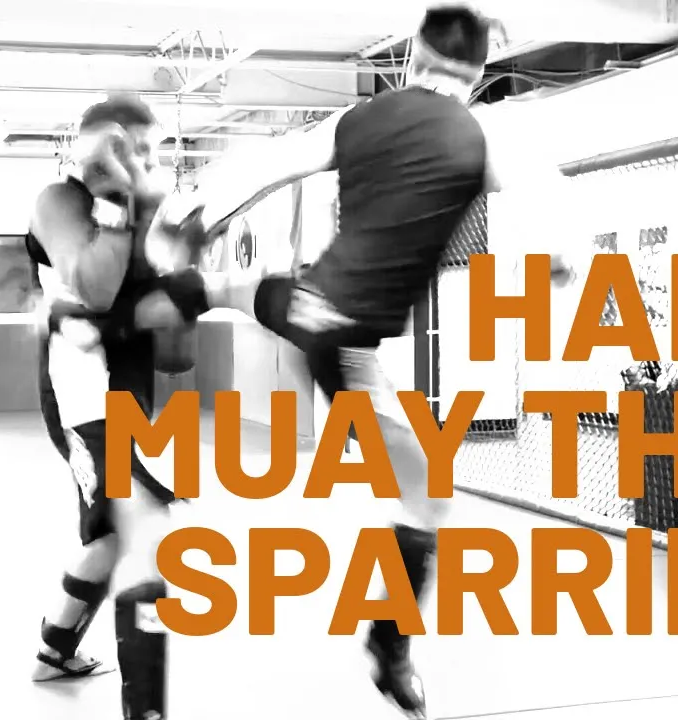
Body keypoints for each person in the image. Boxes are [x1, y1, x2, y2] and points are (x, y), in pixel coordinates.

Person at [142, 5, 575, 719]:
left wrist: (191, 216)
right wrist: (561, 253)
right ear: (478, 72)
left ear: (411, 56)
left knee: (251, 292)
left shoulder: (354, 120)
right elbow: (546, 194)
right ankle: (389, 644)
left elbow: (267, 165)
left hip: (310, 302)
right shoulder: (484, 134)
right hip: (346, 340)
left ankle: (188, 291)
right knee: (428, 497)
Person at [27, 94, 189, 720]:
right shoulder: (59, 201)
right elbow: (94, 287)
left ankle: (55, 649)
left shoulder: (145, 210)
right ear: (99, 148)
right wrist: (117, 200)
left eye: (152, 152)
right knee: (146, 531)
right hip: (82, 395)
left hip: (130, 399)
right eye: (135, 150)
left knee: (110, 535)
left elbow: (174, 349)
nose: (146, 163)